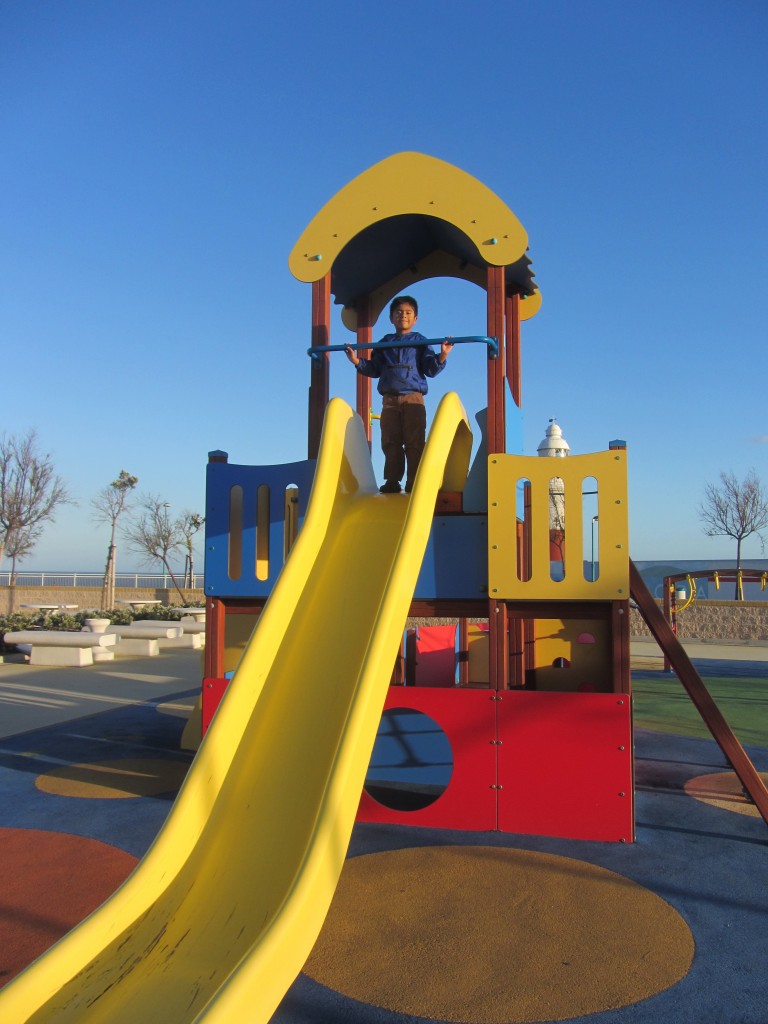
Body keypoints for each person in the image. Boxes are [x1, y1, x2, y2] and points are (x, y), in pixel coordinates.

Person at [345, 295, 453, 493]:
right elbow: (375, 369)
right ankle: (392, 480)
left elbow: (430, 369)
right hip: (390, 399)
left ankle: (414, 480)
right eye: (399, 312)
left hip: (413, 398)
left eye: (408, 313)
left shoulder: (420, 342)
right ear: (392, 318)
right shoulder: (384, 343)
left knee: (414, 440)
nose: (403, 315)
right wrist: (356, 361)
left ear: (415, 319)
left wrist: (443, 355)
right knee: (390, 440)